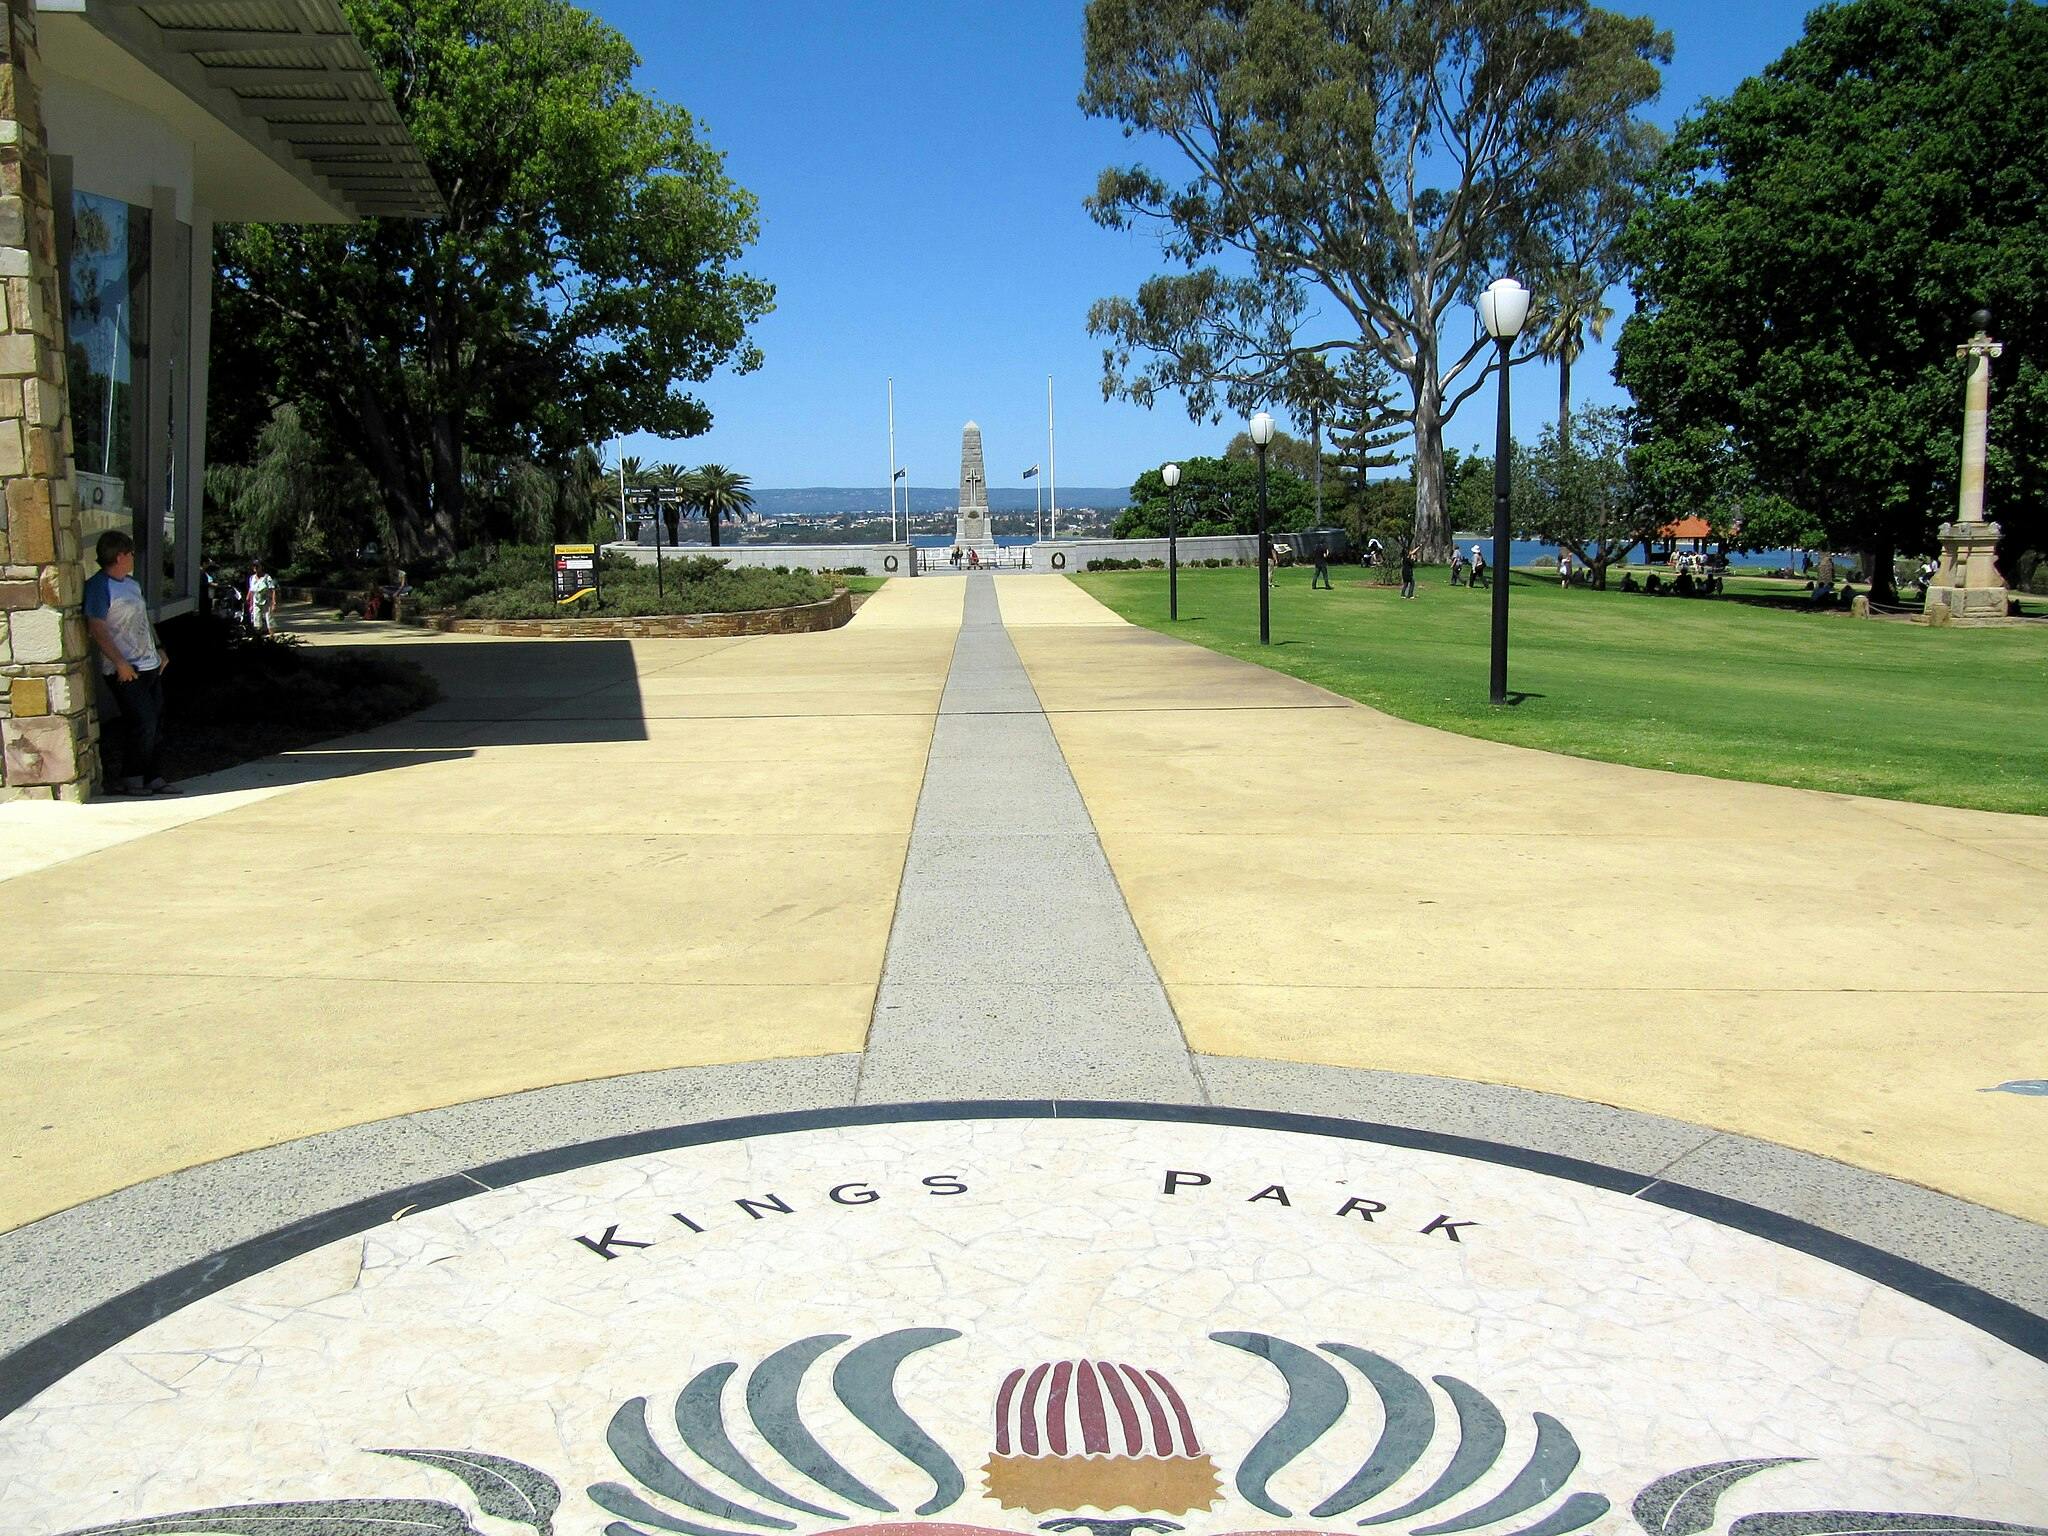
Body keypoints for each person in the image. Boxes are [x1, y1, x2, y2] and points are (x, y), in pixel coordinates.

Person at [83, 530, 178, 796]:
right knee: (142, 722)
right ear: (120, 556)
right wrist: (120, 662)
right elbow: (97, 627)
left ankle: (153, 776)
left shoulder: (132, 584)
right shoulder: (99, 586)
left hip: (150, 664)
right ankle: (132, 777)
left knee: (156, 722)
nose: (133, 558)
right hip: (126, 669)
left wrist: (159, 647)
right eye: (131, 553)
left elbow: (143, 618)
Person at [244, 558, 277, 633]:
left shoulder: (267, 577)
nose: (255, 568)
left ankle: (272, 636)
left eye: (257, 566)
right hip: (256, 602)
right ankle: (259, 636)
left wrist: (274, 603)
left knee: (269, 620)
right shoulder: (252, 578)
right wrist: (248, 601)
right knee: (257, 621)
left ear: (261, 567)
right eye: (254, 566)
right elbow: (251, 590)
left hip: (266, 602)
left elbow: (273, 590)